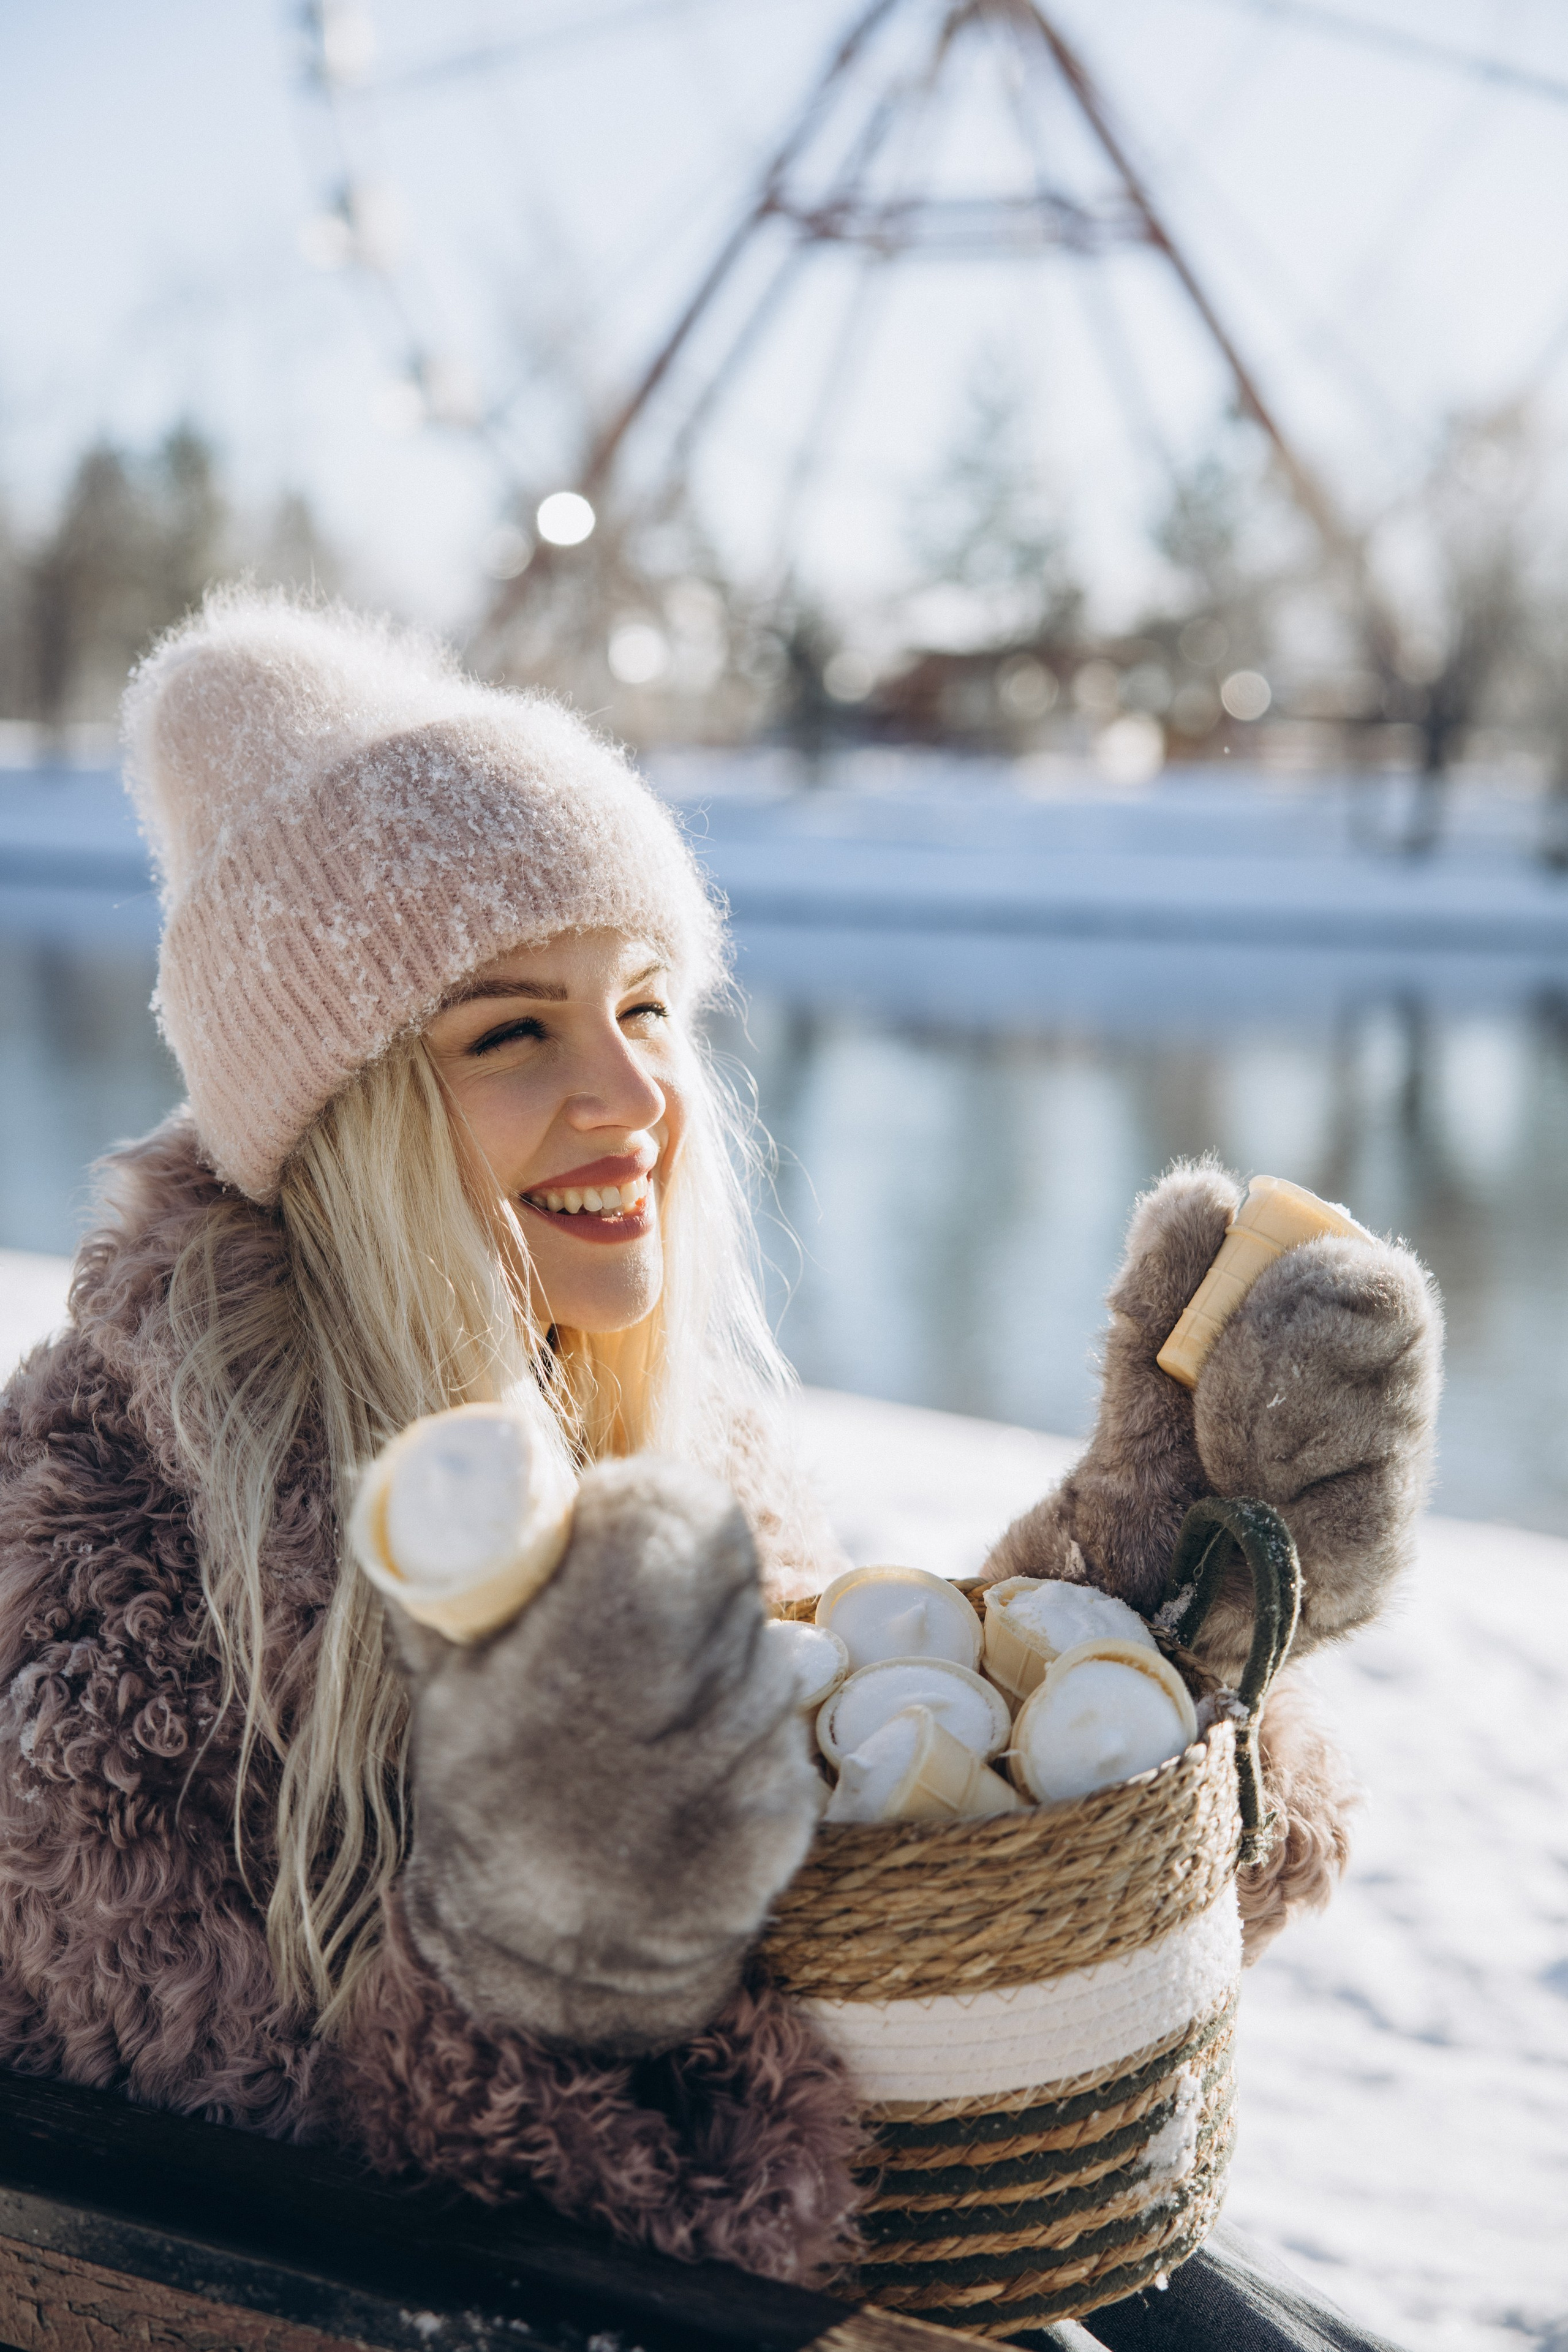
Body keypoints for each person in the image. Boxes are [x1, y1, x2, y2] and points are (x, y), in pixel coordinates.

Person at [0, 592, 1439, 2345]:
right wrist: (563, 1938)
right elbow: (236, 2220)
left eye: (649, 1007)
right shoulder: (118, 1547)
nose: (632, 1096)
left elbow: (863, 1913)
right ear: (346, 1119)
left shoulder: (653, 1417)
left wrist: (1172, 1603)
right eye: (510, 1032)